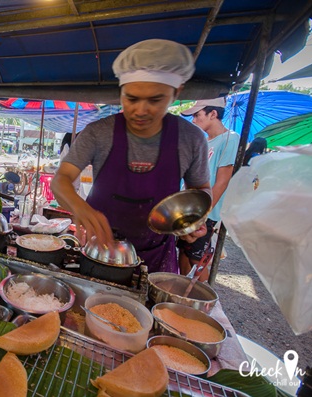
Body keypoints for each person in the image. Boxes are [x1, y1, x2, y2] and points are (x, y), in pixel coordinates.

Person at [51, 39, 211, 274]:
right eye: (131, 98)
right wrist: (81, 208)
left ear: (176, 93)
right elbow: (61, 179)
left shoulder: (191, 139)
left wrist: (193, 221)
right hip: (100, 252)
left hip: (156, 257)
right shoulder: (98, 132)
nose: (140, 110)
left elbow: (201, 189)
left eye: (155, 100)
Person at [178, 97, 241, 280]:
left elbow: (222, 182)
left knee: (196, 259)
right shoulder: (204, 141)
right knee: (183, 252)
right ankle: (181, 295)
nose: (194, 120)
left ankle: (201, 300)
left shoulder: (229, 139)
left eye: (198, 115)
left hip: (206, 212)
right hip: (189, 208)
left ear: (213, 114)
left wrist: (202, 215)